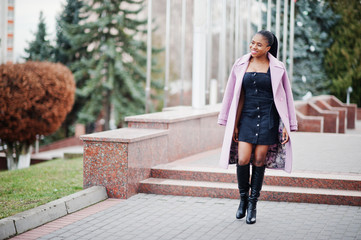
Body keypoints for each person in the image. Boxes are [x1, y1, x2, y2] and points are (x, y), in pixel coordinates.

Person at [217, 30, 298, 224]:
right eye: (252, 43)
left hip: (268, 119)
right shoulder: (241, 64)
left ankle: (253, 203)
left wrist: (287, 125)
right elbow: (235, 95)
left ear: (268, 48)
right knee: (243, 158)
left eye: (259, 45)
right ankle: (243, 199)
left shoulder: (278, 67)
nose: (254, 47)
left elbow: (286, 97)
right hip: (247, 117)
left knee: (260, 160)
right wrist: (233, 123)